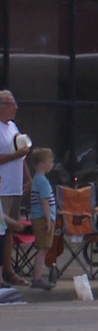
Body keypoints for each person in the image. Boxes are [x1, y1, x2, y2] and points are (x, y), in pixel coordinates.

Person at [0, 90, 31, 287]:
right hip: (2, 187)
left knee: (10, 230)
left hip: (14, 186)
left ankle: (8, 271)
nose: (16, 107)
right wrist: (16, 155)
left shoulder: (13, 127)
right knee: (1, 230)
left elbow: (22, 156)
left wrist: (27, 178)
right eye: (12, 104)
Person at [26, 148, 57, 290]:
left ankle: (38, 277)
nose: (52, 164)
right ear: (42, 163)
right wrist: (48, 219)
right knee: (43, 249)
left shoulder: (36, 180)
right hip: (43, 218)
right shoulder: (42, 181)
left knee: (43, 248)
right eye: (50, 162)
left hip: (39, 218)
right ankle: (37, 278)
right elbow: (44, 201)